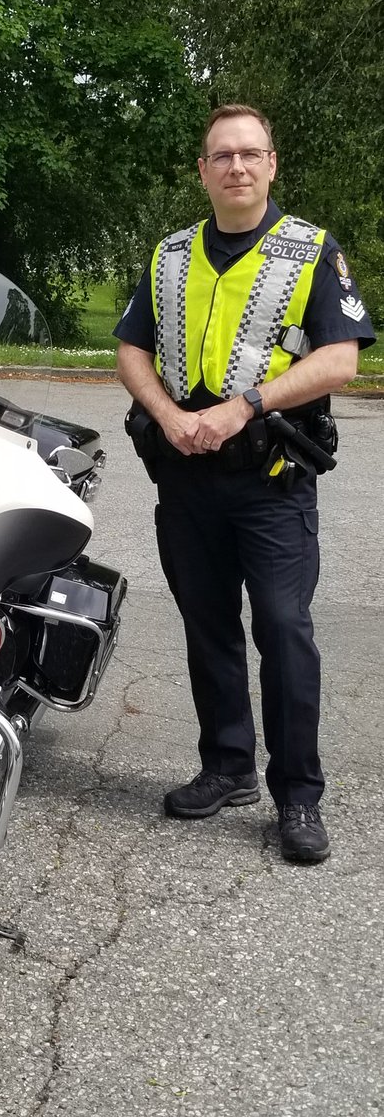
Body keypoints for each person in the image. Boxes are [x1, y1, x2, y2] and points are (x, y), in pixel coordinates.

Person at [114, 103, 376, 864]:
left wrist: (244, 406)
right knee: (208, 628)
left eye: (250, 154)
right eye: (221, 155)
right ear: (203, 170)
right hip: (186, 477)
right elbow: (131, 348)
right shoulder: (168, 256)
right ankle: (227, 767)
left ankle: (297, 796)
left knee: (285, 633)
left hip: (270, 479)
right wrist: (164, 413)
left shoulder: (310, 252)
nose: (236, 166)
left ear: (271, 165)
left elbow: (341, 360)